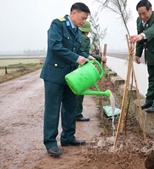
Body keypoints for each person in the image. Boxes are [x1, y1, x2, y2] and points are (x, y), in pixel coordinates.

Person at [40, 2, 95, 157]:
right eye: (82, 18)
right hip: (54, 75)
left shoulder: (76, 31)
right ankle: (50, 143)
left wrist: (86, 56)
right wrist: (77, 58)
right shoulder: (57, 24)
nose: (83, 22)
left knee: (70, 106)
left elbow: (78, 50)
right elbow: (55, 46)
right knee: (52, 110)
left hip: (70, 76)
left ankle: (68, 137)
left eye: (85, 19)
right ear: (73, 13)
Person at [129, 0, 154, 113]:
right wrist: (138, 54)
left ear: (150, 9)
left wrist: (141, 35)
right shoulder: (139, 21)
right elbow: (139, 40)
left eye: (144, 13)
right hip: (150, 55)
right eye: (139, 14)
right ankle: (149, 100)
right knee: (151, 78)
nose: (142, 16)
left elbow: (152, 31)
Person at [76, 21, 107, 121]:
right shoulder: (84, 38)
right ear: (87, 31)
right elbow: (84, 54)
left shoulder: (76, 35)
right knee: (80, 90)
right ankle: (77, 114)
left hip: (74, 67)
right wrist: (100, 58)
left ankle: (72, 113)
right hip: (80, 67)